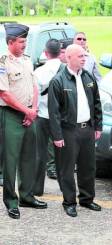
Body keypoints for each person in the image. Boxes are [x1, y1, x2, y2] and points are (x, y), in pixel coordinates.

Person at [48, 44, 102, 217]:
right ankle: (69, 202)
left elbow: (97, 103)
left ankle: (87, 199)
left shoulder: (87, 76)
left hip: (87, 129)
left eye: (85, 56)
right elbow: (54, 112)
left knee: (88, 167)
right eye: (80, 56)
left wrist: (98, 126)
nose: (84, 59)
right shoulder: (58, 81)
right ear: (69, 57)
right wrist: (57, 136)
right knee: (67, 169)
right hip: (68, 131)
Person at [0, 23, 47, 219]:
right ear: (10, 42)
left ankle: (27, 196)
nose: (24, 45)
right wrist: (27, 111)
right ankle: (11, 201)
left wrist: (33, 110)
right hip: (11, 116)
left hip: (29, 114)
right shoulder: (3, 63)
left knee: (30, 158)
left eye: (25, 41)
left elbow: (34, 87)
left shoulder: (27, 61)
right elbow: (4, 94)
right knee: (10, 161)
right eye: (21, 42)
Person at [33, 38, 63, 196]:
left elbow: (34, 97)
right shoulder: (65, 71)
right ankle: (66, 190)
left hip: (42, 116)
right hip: (61, 118)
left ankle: (37, 189)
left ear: (45, 53)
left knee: (40, 154)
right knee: (64, 156)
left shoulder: (38, 72)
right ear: (61, 52)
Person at [45, 38, 73, 180]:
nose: (62, 55)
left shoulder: (68, 70)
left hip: (64, 110)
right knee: (52, 139)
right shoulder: (50, 69)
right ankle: (51, 167)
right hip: (47, 110)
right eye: (61, 52)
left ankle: (60, 165)